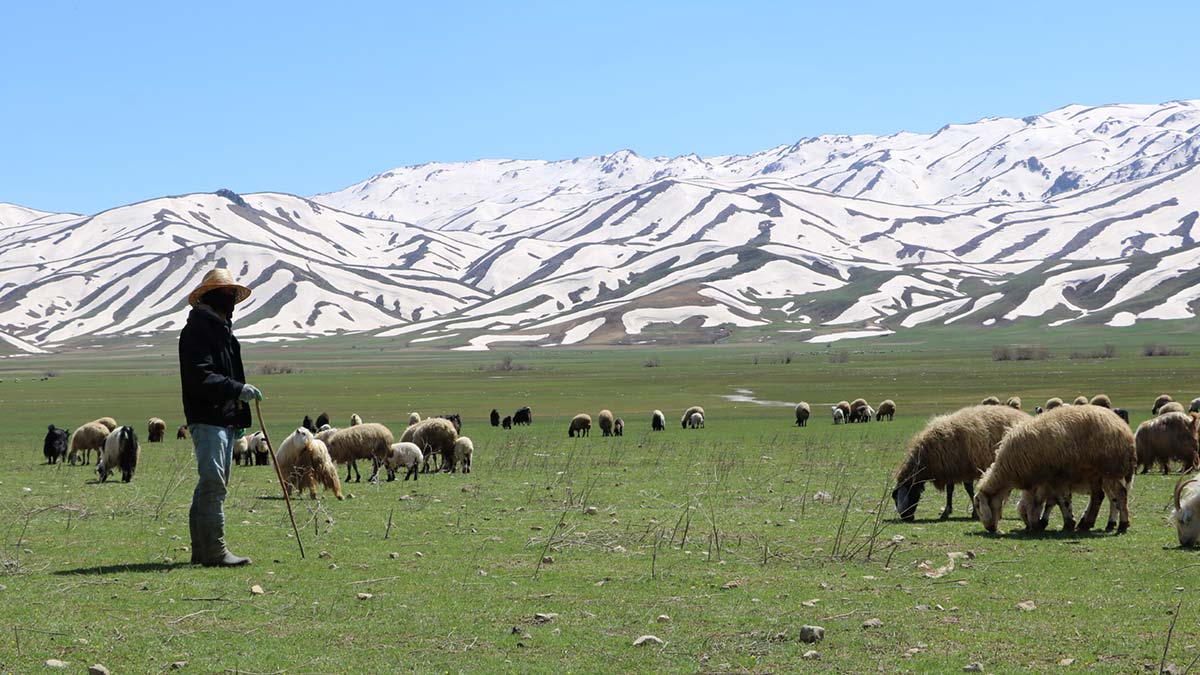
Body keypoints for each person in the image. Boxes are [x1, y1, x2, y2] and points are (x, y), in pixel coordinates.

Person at [179, 268, 263, 567]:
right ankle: (214, 552)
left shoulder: (223, 330)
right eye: (227, 295)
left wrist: (240, 419)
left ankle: (201, 551)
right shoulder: (197, 331)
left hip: (223, 417)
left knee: (210, 484)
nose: (232, 301)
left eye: (233, 295)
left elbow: (230, 373)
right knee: (213, 483)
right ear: (212, 296)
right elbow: (200, 376)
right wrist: (238, 390)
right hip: (207, 416)